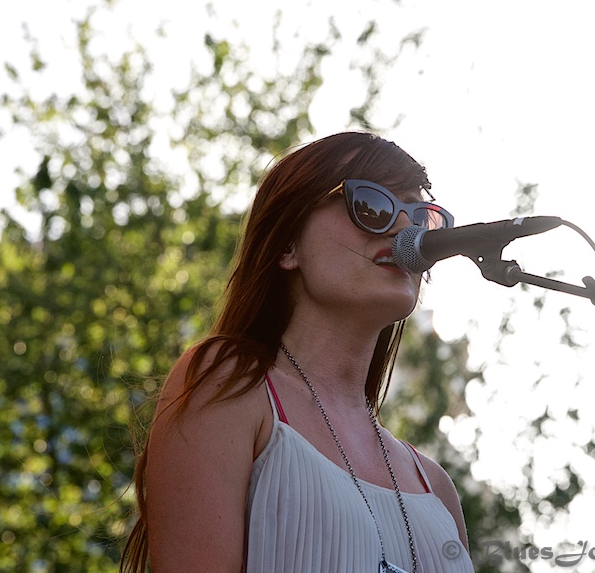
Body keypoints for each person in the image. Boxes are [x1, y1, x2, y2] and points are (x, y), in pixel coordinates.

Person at [121, 132, 471, 573]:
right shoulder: (227, 385)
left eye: (421, 218)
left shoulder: (436, 489)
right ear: (288, 245)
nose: (406, 230)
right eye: (372, 205)